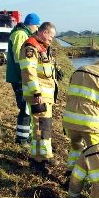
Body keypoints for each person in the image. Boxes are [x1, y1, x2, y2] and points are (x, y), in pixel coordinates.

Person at [19, 21, 61, 174]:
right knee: (40, 127)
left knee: (45, 125)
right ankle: (38, 160)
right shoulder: (30, 47)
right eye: (51, 36)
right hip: (38, 96)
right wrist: (36, 92)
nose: (52, 39)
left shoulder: (42, 47)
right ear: (44, 32)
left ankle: (44, 155)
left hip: (45, 96)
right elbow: (28, 71)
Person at [6, 13, 41, 145]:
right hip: (20, 77)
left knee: (27, 107)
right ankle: (22, 140)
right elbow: (20, 57)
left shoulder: (23, 33)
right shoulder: (21, 34)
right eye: (36, 26)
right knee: (26, 107)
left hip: (22, 76)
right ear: (31, 24)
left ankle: (26, 136)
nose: (37, 29)